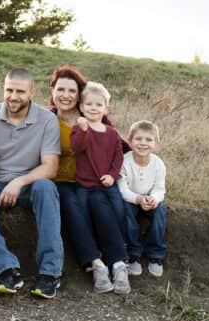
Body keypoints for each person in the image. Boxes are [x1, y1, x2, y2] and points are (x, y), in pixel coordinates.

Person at [0, 68, 64, 299]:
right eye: (9, 90)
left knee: (47, 187)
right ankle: (6, 269)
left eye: (20, 91)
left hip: (29, 184)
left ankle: (50, 273)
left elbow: (50, 167)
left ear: (32, 92)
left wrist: (19, 181)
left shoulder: (47, 120)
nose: (13, 96)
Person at [48, 65, 130, 276]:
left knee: (102, 205)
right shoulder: (47, 120)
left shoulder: (94, 116)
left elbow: (117, 144)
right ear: (52, 92)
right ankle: (94, 261)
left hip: (92, 179)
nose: (66, 95)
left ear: (79, 96)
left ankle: (118, 259)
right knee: (70, 203)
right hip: (62, 179)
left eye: (72, 91)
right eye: (61, 90)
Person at [72, 81, 131, 294]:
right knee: (87, 213)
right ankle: (110, 264)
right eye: (89, 104)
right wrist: (84, 129)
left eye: (98, 105)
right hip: (84, 184)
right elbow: (77, 148)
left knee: (116, 213)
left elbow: (118, 156)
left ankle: (118, 264)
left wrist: (113, 175)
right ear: (81, 107)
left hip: (106, 183)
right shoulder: (78, 129)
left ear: (105, 109)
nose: (93, 108)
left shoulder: (112, 133)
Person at [118, 120, 167, 277]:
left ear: (156, 143)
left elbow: (160, 188)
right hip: (131, 199)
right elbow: (122, 189)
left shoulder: (158, 164)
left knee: (160, 211)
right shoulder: (124, 161)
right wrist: (138, 199)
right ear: (130, 141)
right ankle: (133, 253)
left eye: (149, 139)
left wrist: (154, 199)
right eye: (138, 139)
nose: (143, 143)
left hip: (150, 199)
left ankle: (155, 254)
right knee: (125, 212)